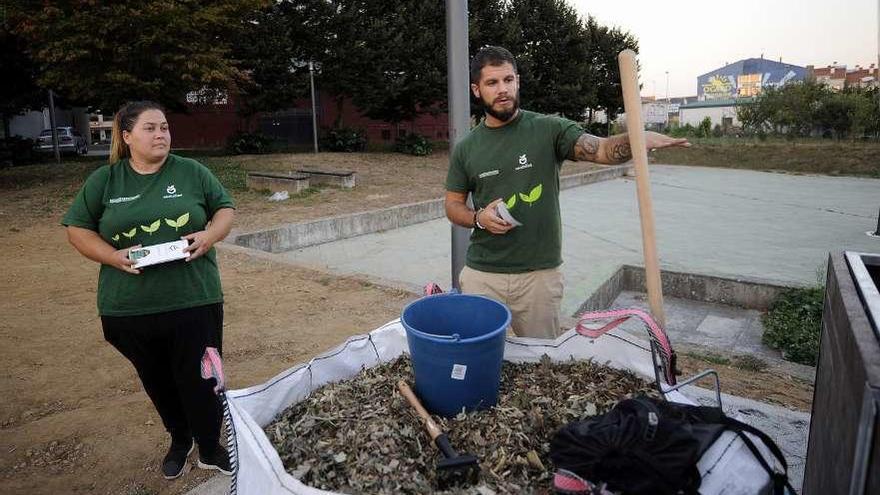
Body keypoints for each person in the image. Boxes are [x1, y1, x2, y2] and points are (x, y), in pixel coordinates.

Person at [445, 46, 689, 339]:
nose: (503, 90)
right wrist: (479, 218)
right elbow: (453, 206)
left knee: (541, 363)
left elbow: (600, 149)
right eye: (492, 83)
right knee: (481, 359)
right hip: (482, 275)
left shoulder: (548, 129)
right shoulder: (467, 148)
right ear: (476, 89)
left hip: (538, 278)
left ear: (518, 81)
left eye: (508, 80)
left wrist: (638, 139)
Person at [62, 101, 236, 480]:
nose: (161, 135)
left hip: (194, 298)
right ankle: (180, 437)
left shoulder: (191, 172)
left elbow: (224, 209)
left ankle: (209, 444)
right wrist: (111, 255)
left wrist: (209, 236)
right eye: (150, 128)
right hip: (129, 308)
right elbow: (78, 229)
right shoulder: (105, 181)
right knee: (157, 377)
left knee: (204, 377)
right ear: (126, 137)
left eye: (165, 128)